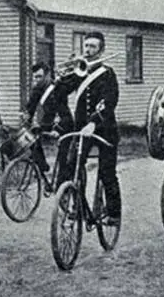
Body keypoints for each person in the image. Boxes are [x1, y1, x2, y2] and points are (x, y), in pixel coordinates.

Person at [56, 31, 120, 225]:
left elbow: (109, 101)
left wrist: (93, 122)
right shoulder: (79, 71)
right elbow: (60, 93)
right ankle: (79, 206)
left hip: (104, 129)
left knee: (107, 172)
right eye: (86, 46)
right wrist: (61, 78)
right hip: (82, 128)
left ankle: (114, 214)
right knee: (73, 164)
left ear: (101, 50)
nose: (88, 50)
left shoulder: (107, 74)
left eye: (93, 46)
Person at [23, 62, 74, 191]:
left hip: (63, 124)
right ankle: (43, 168)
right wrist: (27, 117)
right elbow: (30, 107)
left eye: (40, 77)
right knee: (30, 142)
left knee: (64, 158)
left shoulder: (58, 88)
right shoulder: (36, 90)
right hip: (46, 124)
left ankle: (62, 188)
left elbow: (65, 114)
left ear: (48, 75)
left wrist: (58, 130)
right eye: (35, 77)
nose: (37, 80)